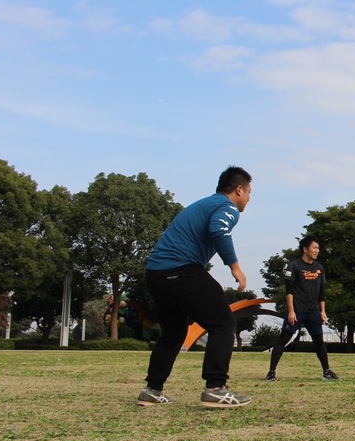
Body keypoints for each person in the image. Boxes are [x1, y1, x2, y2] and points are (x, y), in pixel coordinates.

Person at [137, 166, 253, 408]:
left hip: (156, 273)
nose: (249, 198)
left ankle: (152, 389)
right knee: (223, 322)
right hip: (181, 269)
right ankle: (215, 388)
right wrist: (235, 267)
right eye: (249, 192)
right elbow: (218, 230)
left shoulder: (203, 204)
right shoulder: (227, 207)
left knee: (173, 333)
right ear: (239, 189)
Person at [265, 236, 338, 381]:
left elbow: (322, 293)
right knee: (282, 341)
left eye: (318, 248)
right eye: (314, 248)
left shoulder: (319, 268)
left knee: (319, 342)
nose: (317, 251)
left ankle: (327, 372)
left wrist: (323, 311)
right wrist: (291, 311)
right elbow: (289, 291)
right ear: (305, 249)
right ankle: (271, 373)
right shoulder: (294, 266)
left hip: (313, 312)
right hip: (297, 311)